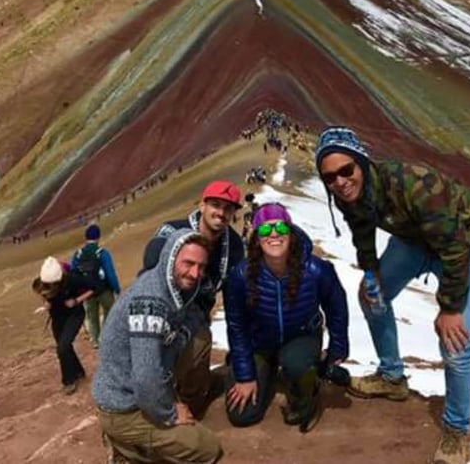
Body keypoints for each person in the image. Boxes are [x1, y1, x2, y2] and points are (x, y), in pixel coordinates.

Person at [314, 127, 470, 464]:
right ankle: (391, 377)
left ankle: (456, 430)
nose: (340, 181)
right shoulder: (348, 195)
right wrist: (370, 272)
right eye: (330, 178)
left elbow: (455, 246)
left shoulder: (413, 185)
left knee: (454, 339)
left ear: (361, 162)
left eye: (346, 170)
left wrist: (450, 307)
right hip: (415, 240)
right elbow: (362, 231)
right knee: (372, 298)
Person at [93, 229, 222, 464]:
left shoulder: (168, 285)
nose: (195, 273)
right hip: (124, 407)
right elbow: (145, 377)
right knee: (207, 449)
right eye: (189, 263)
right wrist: (170, 414)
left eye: (201, 266)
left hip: (140, 387)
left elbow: (187, 324)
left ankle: (168, 421)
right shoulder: (150, 303)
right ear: (170, 258)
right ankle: (126, 449)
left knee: (200, 340)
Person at [224, 203, 348, 429]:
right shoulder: (241, 275)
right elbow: (237, 326)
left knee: (296, 365)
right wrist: (244, 376)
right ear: (256, 238)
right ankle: (267, 371)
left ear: (291, 233)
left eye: (281, 228)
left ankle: (303, 386)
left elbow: (336, 307)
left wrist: (337, 349)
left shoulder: (316, 270)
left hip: (301, 336)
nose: (273, 234)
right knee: (242, 414)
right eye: (265, 230)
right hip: (259, 342)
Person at [139, 180, 245, 418]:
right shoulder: (172, 230)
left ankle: (190, 408)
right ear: (202, 205)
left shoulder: (234, 247)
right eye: (215, 205)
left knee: (198, 348)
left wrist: (239, 352)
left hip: (196, 314)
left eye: (228, 209)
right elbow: (151, 260)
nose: (221, 213)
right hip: (158, 307)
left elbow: (234, 299)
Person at [32, 257, 96, 395]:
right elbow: (42, 293)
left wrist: (77, 300)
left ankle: (69, 381)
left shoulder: (72, 279)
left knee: (62, 347)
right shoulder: (42, 282)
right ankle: (78, 372)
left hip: (74, 314)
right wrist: (46, 304)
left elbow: (94, 287)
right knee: (65, 346)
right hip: (57, 317)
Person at [71, 224, 122, 348]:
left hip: (86, 291)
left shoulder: (78, 255)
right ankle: (105, 336)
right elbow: (110, 272)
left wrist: (78, 292)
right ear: (98, 237)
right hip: (103, 289)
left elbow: (73, 272)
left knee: (91, 316)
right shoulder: (102, 253)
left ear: (86, 237)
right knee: (109, 311)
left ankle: (95, 339)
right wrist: (116, 288)